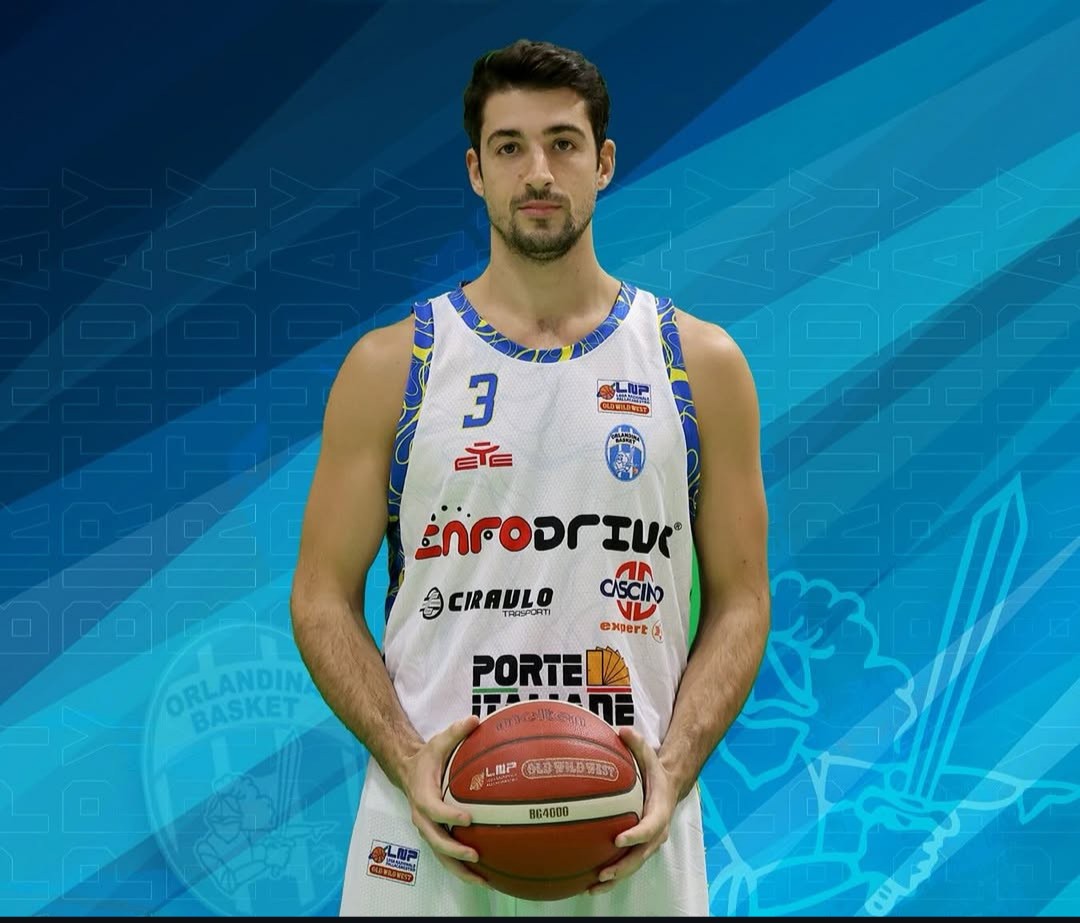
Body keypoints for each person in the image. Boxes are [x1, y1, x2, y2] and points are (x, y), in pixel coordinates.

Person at [290, 38, 771, 917]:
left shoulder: (698, 363)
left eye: (563, 143)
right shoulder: (392, 366)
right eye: (510, 147)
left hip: (631, 829)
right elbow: (321, 596)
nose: (538, 172)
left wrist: (672, 767)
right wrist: (407, 756)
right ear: (476, 170)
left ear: (604, 162)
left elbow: (742, 601)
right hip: (428, 835)